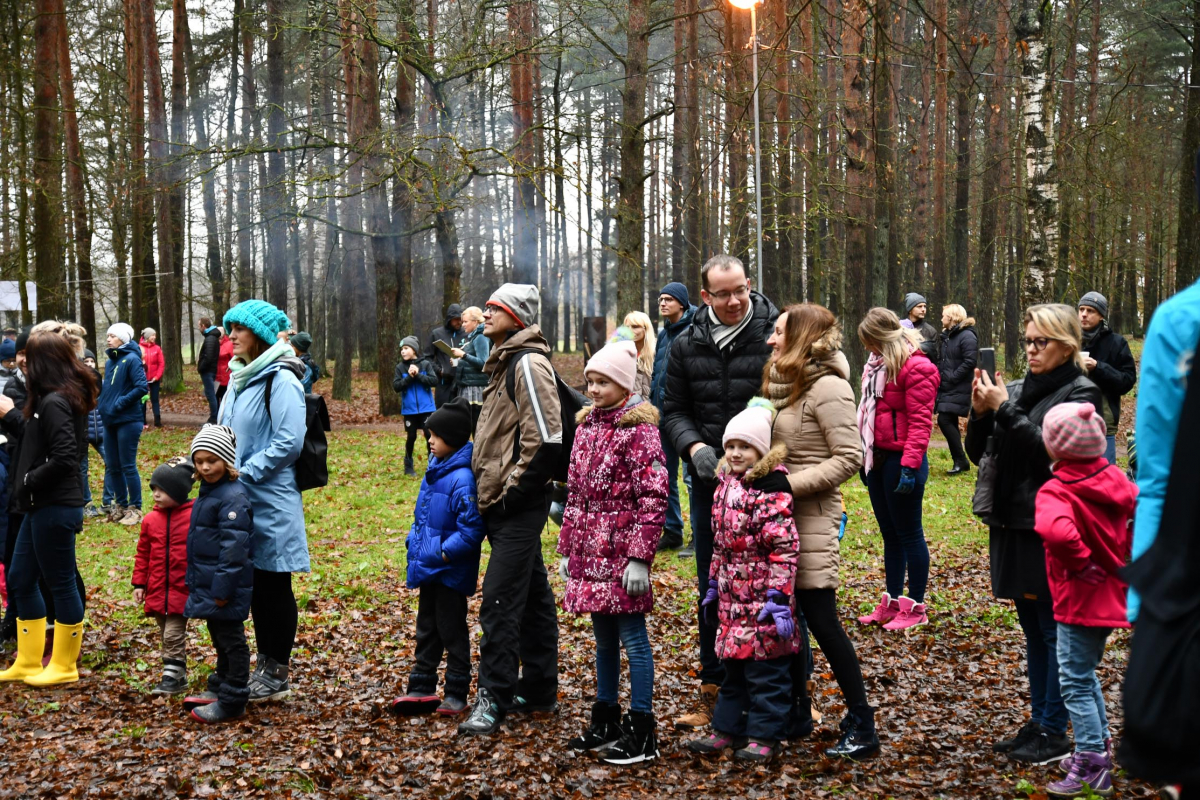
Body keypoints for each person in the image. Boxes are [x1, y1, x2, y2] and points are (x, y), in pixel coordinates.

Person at [966, 303, 1101, 765]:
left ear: (1067, 345)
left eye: (1040, 342)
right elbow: (980, 450)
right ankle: (1041, 718)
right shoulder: (1020, 389)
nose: (1031, 350)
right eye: (1027, 341)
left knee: (1050, 631)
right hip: (1012, 519)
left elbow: (1050, 452)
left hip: (1049, 523)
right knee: (1032, 628)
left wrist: (1003, 409)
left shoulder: (1081, 393)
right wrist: (983, 412)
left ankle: (1055, 730)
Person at [661, 254, 779, 730]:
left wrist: (752, 448)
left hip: (767, 482)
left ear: (749, 285)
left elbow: (782, 399)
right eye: (723, 294)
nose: (734, 302)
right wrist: (693, 448)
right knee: (713, 587)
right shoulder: (685, 344)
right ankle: (715, 688)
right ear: (705, 295)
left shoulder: (775, 333)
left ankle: (788, 693)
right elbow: (672, 410)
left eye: (740, 291)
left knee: (779, 587)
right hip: (710, 486)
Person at [765, 303, 880, 758]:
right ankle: (798, 710)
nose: (771, 340)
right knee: (785, 617)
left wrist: (789, 485)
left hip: (810, 517)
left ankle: (862, 722)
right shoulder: (785, 384)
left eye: (778, 332)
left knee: (821, 619)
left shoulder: (829, 386)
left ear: (801, 336)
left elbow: (849, 456)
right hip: (775, 520)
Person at [558, 340, 667, 765]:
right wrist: (568, 548)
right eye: (590, 380)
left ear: (623, 384)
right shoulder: (585, 427)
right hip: (590, 554)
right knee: (603, 641)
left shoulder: (640, 431)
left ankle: (642, 729)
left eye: (603, 381)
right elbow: (575, 496)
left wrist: (640, 557)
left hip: (622, 556)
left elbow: (654, 498)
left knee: (633, 641)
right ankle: (606, 719)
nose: (594, 388)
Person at [459, 284, 561, 736]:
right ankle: (539, 688)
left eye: (495, 307)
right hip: (501, 502)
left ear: (516, 316)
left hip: (516, 504)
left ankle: (493, 697)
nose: (485, 311)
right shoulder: (502, 362)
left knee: (498, 601)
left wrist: (513, 494)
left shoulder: (528, 363)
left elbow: (547, 438)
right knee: (534, 597)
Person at [1033, 402, 1136, 798]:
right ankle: (1099, 744)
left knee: (1073, 680)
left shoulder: (1057, 490)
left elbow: (1056, 531)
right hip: (1111, 594)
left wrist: (1079, 564)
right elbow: (1137, 511)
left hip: (1078, 598)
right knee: (1084, 673)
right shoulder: (1114, 478)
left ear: (1056, 447)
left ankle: (1092, 760)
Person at [686, 403, 799, 762]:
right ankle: (727, 731)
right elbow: (719, 545)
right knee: (731, 671)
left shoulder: (770, 491)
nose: (735, 453)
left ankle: (766, 737)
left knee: (766, 674)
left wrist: (779, 596)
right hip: (731, 601)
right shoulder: (723, 487)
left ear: (761, 451)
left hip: (763, 600)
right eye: (731, 445)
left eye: (745, 447)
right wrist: (711, 587)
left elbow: (784, 547)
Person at [218, 299, 310, 703]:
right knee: (252, 585)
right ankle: (260, 665)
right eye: (230, 328)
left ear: (259, 334)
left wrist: (245, 472)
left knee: (274, 585)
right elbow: (222, 433)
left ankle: (277, 670)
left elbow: (289, 441)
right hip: (237, 499)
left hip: (270, 499)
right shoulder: (238, 379)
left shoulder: (281, 378)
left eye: (239, 328)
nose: (231, 336)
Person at [0, 330, 97, 685]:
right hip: (38, 505)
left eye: (30, 356)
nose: (23, 361)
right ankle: (27, 660)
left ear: (44, 362)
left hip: (56, 506)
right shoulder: (44, 400)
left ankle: (64, 665)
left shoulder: (55, 402)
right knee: (21, 579)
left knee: (60, 582)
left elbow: (65, 458)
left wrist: (28, 480)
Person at [392, 398, 486, 718]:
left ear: (454, 438)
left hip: (449, 569)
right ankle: (422, 685)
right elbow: (423, 519)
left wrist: (444, 552)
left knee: (451, 629)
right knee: (427, 626)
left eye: (435, 435)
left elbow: (472, 530)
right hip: (431, 566)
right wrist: (413, 542)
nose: (429, 440)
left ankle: (457, 691)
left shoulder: (462, 478)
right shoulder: (435, 470)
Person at [856, 308, 939, 631]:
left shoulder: (917, 368)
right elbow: (866, 412)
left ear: (883, 338)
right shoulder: (875, 367)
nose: (867, 349)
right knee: (890, 534)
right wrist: (865, 457)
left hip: (903, 461)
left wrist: (909, 466)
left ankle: (916, 605)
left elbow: (920, 424)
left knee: (909, 534)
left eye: (870, 342)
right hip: (878, 459)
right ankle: (892, 601)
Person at [182, 425, 255, 723]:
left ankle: (234, 697)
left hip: (226, 587)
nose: (205, 466)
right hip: (211, 583)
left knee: (231, 639)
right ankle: (221, 685)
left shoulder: (232, 496)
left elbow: (234, 548)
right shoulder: (210, 490)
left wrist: (223, 589)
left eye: (211, 460)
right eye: (199, 461)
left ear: (226, 460)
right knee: (219, 635)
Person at [132, 456, 195, 695]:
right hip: (158, 588)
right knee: (165, 632)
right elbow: (143, 553)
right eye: (154, 489)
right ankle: (176, 672)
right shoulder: (150, 520)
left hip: (182, 588)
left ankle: (172, 678)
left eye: (163, 489)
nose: (156, 494)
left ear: (179, 492)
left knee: (173, 633)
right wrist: (139, 583)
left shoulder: (193, 516)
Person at [651, 282, 696, 553]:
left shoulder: (693, 331)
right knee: (663, 475)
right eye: (660, 299)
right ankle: (672, 530)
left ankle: (699, 535)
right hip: (661, 416)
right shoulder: (663, 335)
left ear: (682, 303)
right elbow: (658, 375)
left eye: (668, 299)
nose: (663, 303)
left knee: (691, 477)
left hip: (686, 417)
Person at [98, 323, 149, 527]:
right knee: (113, 465)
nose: (108, 339)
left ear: (123, 339)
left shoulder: (132, 359)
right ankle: (120, 506)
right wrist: (104, 404)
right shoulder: (112, 361)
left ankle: (135, 508)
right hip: (109, 419)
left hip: (128, 420)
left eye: (112, 336)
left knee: (127, 465)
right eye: (108, 335)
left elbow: (141, 387)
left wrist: (120, 403)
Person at [1076, 292, 1136, 466]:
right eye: (1081, 309)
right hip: (1069, 421)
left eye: (1090, 310)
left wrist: (1098, 367)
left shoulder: (1117, 343)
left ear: (1101, 315)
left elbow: (1127, 380)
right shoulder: (1067, 340)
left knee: (1104, 479)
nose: (1084, 314)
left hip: (1103, 423)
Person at [935, 304, 978, 475]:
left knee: (944, 420)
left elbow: (970, 361)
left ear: (952, 317)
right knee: (948, 420)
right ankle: (959, 461)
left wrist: (952, 377)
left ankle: (961, 459)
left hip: (958, 385)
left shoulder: (966, 335)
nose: (941, 318)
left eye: (944, 315)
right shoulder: (948, 336)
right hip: (947, 386)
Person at [393, 335, 438, 477]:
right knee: (411, 436)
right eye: (401, 349)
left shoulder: (425, 364)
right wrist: (409, 377)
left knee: (429, 435)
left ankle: (433, 462)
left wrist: (418, 375)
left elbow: (434, 381)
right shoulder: (400, 368)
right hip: (409, 410)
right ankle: (408, 464)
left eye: (406, 348)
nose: (403, 351)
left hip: (427, 409)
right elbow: (396, 386)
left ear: (414, 350)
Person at [451, 307, 491, 432]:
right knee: (469, 427)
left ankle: (478, 452)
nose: (463, 325)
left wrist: (463, 355)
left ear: (475, 321)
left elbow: (483, 363)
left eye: (465, 322)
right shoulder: (474, 337)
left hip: (476, 389)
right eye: (462, 322)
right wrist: (459, 361)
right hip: (469, 386)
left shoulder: (480, 337)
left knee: (476, 428)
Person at [426, 304, 466, 407]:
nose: (459, 322)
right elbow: (427, 357)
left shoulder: (467, 333)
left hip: (463, 383)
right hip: (444, 384)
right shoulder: (437, 334)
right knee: (443, 416)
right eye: (456, 319)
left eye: (460, 319)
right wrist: (439, 370)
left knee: (462, 416)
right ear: (449, 319)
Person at [621, 312, 656, 400]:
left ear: (646, 328)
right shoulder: (621, 353)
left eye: (635, 327)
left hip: (652, 407)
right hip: (628, 407)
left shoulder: (658, 350)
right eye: (627, 327)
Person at [197, 317, 223, 424]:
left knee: (211, 394)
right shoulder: (211, 337)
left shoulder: (210, 338)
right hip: (210, 370)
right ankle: (214, 416)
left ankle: (214, 418)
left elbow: (208, 357)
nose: (199, 328)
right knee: (211, 394)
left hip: (208, 371)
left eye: (199, 325)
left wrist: (201, 367)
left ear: (203, 326)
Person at [903, 293, 940, 362]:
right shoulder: (901, 328)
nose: (923, 309)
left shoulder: (930, 331)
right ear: (910, 310)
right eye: (919, 306)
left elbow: (936, 357)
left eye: (924, 306)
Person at [140, 328, 164, 429]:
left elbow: (161, 364)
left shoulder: (157, 348)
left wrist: (157, 376)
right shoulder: (139, 348)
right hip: (142, 380)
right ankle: (142, 421)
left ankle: (157, 421)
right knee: (142, 401)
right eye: (152, 335)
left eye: (155, 335)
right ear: (146, 336)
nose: (154, 337)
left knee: (155, 399)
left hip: (154, 379)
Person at [215, 327, 233, 406]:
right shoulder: (213, 342)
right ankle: (215, 416)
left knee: (224, 399)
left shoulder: (229, 344)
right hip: (215, 377)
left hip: (226, 377)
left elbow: (234, 359)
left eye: (220, 331)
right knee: (214, 398)